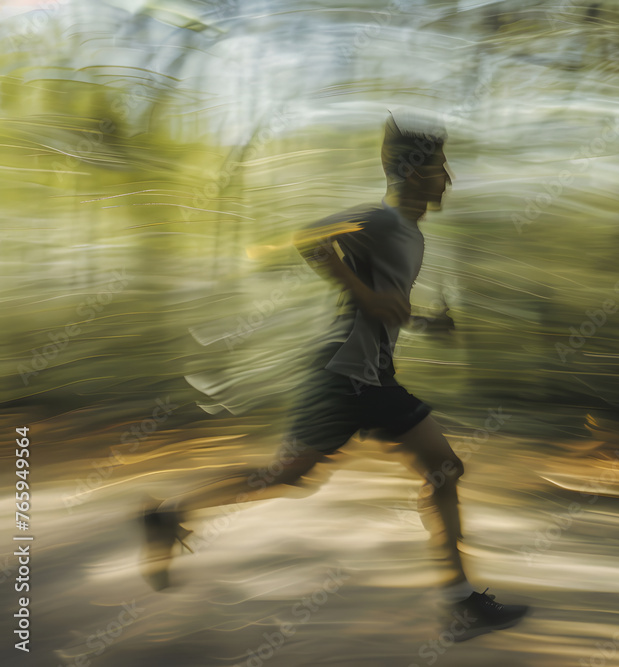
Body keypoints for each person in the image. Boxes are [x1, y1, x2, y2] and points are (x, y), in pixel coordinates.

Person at [140, 112, 528, 641]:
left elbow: (380, 308)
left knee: (440, 469)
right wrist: (364, 293)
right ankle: (169, 515)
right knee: (288, 476)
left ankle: (461, 603)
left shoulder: (410, 235)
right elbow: (310, 238)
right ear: (414, 172)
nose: (449, 178)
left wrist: (421, 321)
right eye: (441, 166)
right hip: (344, 376)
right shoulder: (384, 221)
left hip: (371, 377)